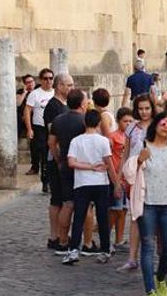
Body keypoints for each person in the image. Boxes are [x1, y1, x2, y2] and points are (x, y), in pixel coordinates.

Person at [131, 111, 167, 296]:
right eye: (165, 123)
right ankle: (150, 290)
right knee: (147, 245)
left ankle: (160, 277)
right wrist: (139, 160)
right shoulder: (144, 146)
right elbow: (130, 172)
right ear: (156, 125)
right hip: (147, 202)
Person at [62, 109, 118, 265]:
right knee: (102, 217)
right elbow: (109, 164)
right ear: (99, 123)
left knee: (79, 216)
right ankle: (105, 249)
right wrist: (116, 183)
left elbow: (71, 163)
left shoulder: (76, 141)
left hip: (82, 183)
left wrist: (88, 167)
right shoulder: (103, 141)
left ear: (84, 122)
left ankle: (73, 250)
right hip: (101, 183)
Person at [117, 93, 157, 273]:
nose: (144, 112)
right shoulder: (131, 128)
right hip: (134, 175)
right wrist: (119, 176)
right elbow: (125, 153)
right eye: (140, 108)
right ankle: (132, 258)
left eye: (147, 108)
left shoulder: (158, 125)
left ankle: (162, 256)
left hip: (154, 175)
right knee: (134, 216)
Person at [43, 73, 73, 250]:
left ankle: (62, 234)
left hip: (64, 158)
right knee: (57, 199)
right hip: (57, 159)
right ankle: (55, 236)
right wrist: (59, 159)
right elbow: (53, 137)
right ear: (59, 86)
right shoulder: (53, 107)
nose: (71, 88)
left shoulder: (65, 105)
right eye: (69, 85)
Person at [107, 107, 133, 250]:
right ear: (118, 121)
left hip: (128, 178)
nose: (128, 124)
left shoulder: (133, 137)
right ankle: (107, 238)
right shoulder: (112, 137)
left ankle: (119, 239)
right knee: (114, 210)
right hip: (117, 177)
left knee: (123, 210)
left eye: (130, 121)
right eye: (125, 121)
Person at [24, 68, 54, 189]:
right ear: (41, 80)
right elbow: (27, 111)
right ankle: (45, 181)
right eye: (45, 78)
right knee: (43, 153)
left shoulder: (55, 93)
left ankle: (53, 180)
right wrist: (29, 129)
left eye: (50, 78)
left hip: (53, 128)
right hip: (39, 127)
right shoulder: (35, 94)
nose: (48, 81)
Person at [17, 73, 36, 166]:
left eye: (32, 81)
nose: (30, 84)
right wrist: (24, 92)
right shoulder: (21, 92)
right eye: (28, 82)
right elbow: (18, 103)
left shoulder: (39, 91)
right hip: (23, 118)